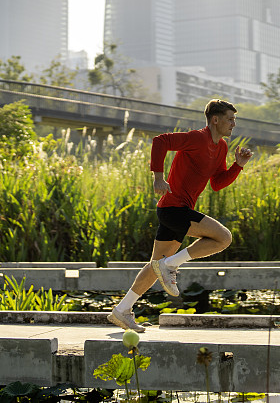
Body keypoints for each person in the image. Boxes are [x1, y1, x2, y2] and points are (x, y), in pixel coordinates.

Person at [107, 99, 253, 332]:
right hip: (174, 208)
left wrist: (238, 166)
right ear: (215, 120)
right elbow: (160, 141)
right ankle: (171, 265)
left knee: (155, 267)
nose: (233, 124)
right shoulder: (197, 138)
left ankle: (122, 311)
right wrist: (157, 176)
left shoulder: (221, 148)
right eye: (230, 119)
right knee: (223, 238)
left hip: (174, 211)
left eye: (234, 120)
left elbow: (216, 183)